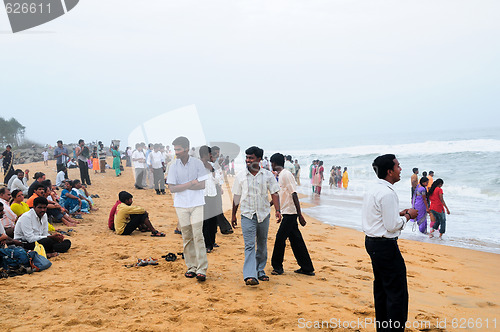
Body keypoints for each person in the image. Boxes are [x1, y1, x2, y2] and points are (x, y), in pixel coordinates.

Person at [362, 154, 418, 332]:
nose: (400, 170)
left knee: (381, 289)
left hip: (372, 243)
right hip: (384, 245)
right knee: (396, 292)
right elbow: (392, 226)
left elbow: (378, 216)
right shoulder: (387, 193)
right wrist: (409, 216)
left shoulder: (374, 189)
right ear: (389, 171)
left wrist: (399, 213)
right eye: (398, 166)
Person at [231, 146, 281, 286]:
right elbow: (236, 196)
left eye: (251, 158)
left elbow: (274, 193)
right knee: (249, 245)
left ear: (259, 159)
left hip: (263, 214)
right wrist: (233, 215)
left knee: (262, 243)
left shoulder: (267, 175)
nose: (248, 160)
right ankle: (250, 275)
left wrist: (278, 210)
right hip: (247, 214)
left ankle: (260, 270)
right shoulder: (241, 176)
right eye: (247, 157)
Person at [167, 136, 209, 281]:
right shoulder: (173, 166)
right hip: (181, 205)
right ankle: (191, 267)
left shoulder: (197, 164)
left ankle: (202, 269)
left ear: (186, 148)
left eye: (178, 149)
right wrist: (191, 183)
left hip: (197, 203)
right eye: (175, 149)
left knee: (198, 235)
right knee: (186, 236)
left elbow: (202, 185)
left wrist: (182, 186)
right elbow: (172, 188)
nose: (176, 152)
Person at [269, 153, 314, 276]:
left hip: (290, 213)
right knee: (296, 240)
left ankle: (277, 267)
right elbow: (279, 194)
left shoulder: (286, 175)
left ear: (274, 163)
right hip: (286, 212)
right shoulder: (280, 176)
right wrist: (269, 205)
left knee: (280, 239)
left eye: (271, 163)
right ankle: (307, 267)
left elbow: (294, 194)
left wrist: (300, 214)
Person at [199, 146, 221, 253]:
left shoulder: (213, 165)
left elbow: (217, 180)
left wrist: (212, 170)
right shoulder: (197, 166)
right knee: (205, 221)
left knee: (213, 220)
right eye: (209, 154)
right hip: (202, 195)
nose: (211, 156)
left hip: (212, 194)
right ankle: (206, 244)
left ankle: (212, 241)